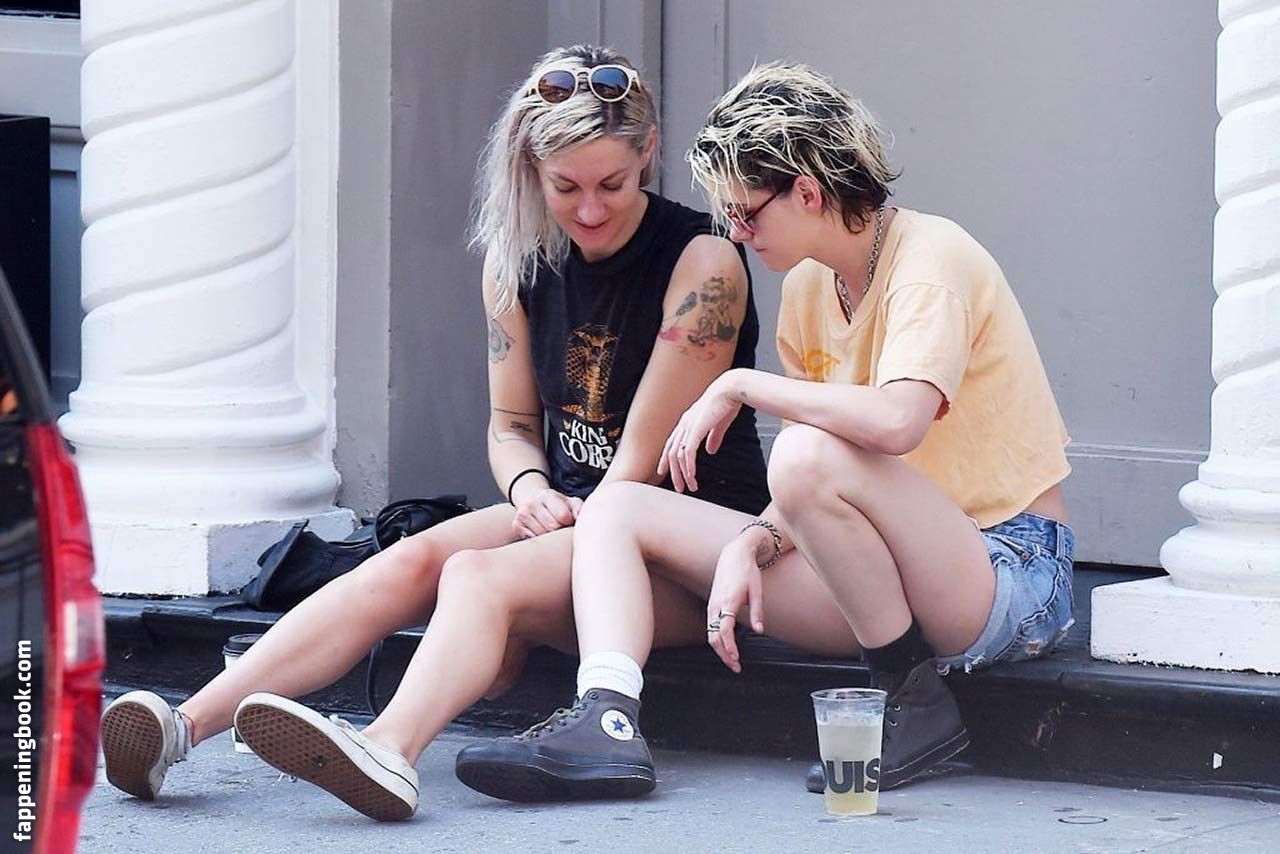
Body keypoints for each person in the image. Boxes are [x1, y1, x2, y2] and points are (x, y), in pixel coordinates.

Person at [98, 44, 771, 822]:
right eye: (566, 187)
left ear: (648, 151)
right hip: (572, 520)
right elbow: (512, 426)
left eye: (612, 185)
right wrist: (528, 487)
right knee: (412, 557)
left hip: (687, 553)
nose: (590, 209)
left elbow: (637, 470)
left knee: (477, 576)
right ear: (531, 167)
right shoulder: (516, 262)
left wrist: (546, 520)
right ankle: (182, 728)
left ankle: (388, 749)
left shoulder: (704, 263)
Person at [453, 61, 1076, 802]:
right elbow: (821, 494)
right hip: (887, 575)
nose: (737, 234)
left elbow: (896, 422)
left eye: (746, 214)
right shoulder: (811, 286)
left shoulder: (931, 259)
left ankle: (911, 701)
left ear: (807, 192)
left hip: (1009, 571)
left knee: (805, 451)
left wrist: (738, 383)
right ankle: (608, 717)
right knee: (617, 507)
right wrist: (752, 543)